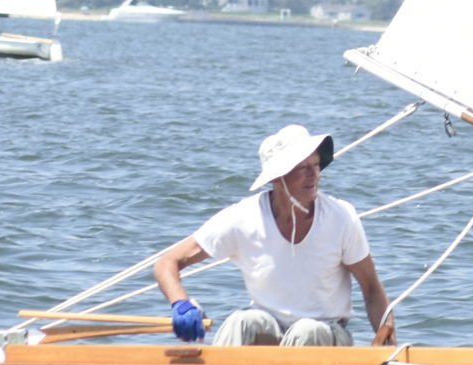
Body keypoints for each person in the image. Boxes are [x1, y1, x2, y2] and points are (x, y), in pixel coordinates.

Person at [152, 124, 394, 348]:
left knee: (306, 331)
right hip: (271, 331)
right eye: (303, 168)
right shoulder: (243, 218)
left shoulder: (341, 217)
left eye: (316, 165)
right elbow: (167, 263)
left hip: (328, 335)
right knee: (241, 321)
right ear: (278, 177)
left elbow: (372, 289)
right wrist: (181, 304)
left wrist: (388, 345)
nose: (315, 176)